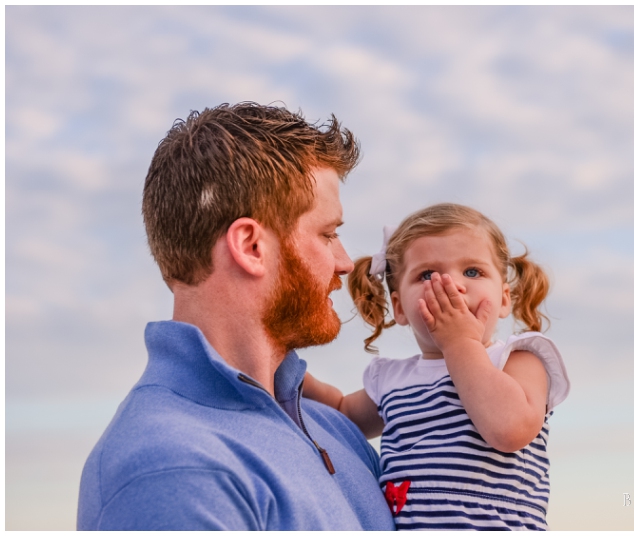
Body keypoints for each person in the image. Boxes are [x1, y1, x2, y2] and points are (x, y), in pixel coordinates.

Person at [77, 102, 395, 530]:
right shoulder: (172, 469)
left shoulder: (334, 430)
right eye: (328, 234)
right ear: (250, 246)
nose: (343, 262)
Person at [303, 203, 571, 530]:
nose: (452, 286)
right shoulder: (391, 379)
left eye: (472, 271)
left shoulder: (518, 359)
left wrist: (460, 344)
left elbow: (509, 430)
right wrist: (288, 372)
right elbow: (341, 415)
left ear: (504, 299)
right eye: (427, 275)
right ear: (400, 308)